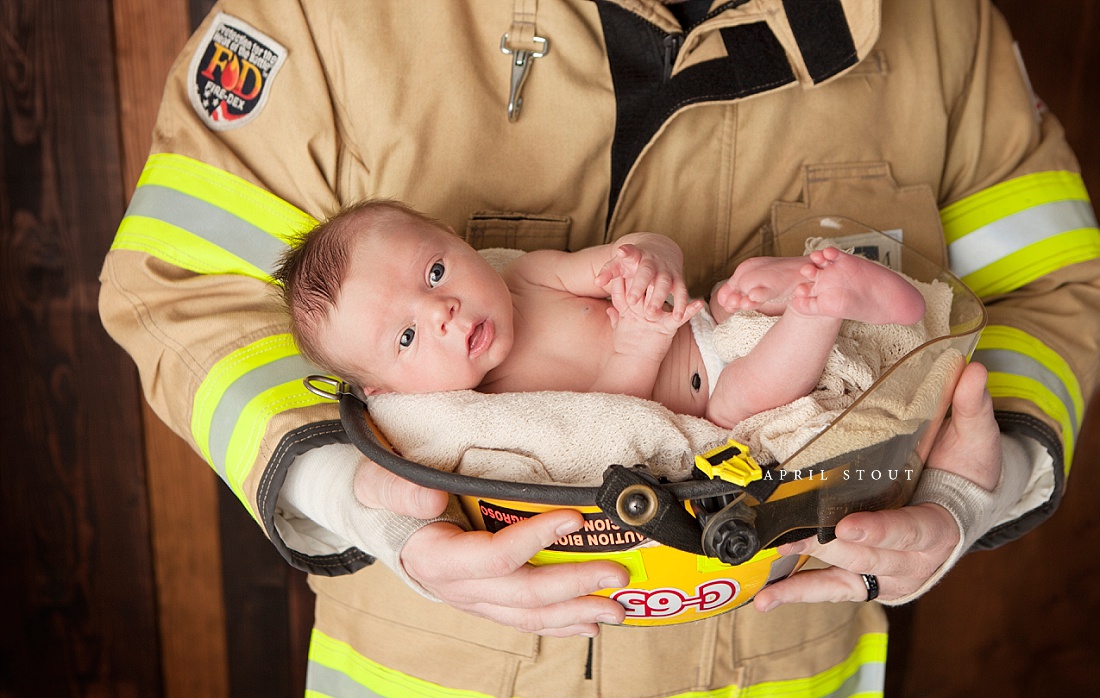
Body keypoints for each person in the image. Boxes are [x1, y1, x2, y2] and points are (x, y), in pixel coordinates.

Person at [98, 0, 1100, 698]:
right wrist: (365, 499)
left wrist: (977, 487)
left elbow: (1052, 288)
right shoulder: (325, 18)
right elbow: (188, 287)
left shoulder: (938, 27)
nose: (444, 305)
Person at [275, 198, 927, 431]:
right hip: (712, 396)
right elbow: (606, 427)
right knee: (742, 401)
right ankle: (821, 305)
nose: (443, 310)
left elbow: (631, 251)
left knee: (736, 288)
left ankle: (827, 286)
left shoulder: (525, 275)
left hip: (708, 325)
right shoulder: (496, 415)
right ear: (385, 391)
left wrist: (647, 263)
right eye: (409, 335)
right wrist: (639, 342)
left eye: (436, 272)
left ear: (456, 237)